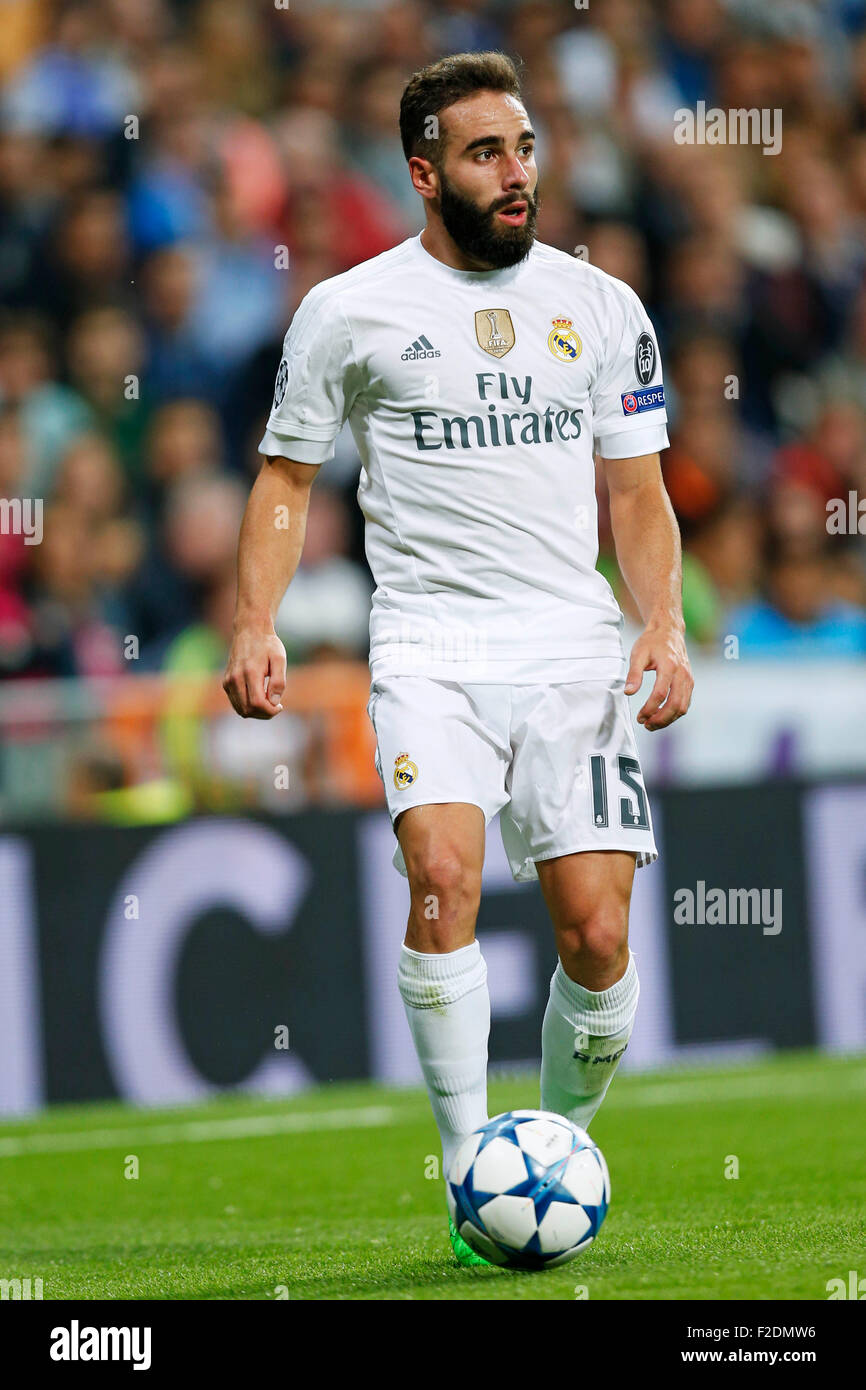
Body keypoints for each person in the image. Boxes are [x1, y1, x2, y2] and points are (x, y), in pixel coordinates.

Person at [222, 51, 693, 1265]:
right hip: (427, 640)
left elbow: (634, 495)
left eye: (525, 146)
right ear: (425, 173)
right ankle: (466, 1163)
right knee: (442, 876)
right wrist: (254, 617)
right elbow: (284, 477)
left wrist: (662, 620)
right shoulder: (348, 311)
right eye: (486, 153)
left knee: (593, 931)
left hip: (569, 644)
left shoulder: (598, 305)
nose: (515, 171)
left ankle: (550, 1149)